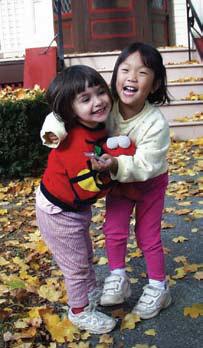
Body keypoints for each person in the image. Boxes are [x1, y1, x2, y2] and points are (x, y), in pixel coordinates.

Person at [40, 42, 172, 320]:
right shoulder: (106, 104)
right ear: (115, 76)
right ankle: (117, 277)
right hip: (117, 182)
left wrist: (114, 165)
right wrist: (53, 132)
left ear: (156, 83)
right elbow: (63, 112)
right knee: (113, 230)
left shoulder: (155, 123)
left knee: (147, 236)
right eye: (125, 69)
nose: (132, 77)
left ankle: (159, 287)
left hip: (148, 185)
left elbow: (147, 164)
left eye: (142, 72)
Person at [36, 65, 117, 334]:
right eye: (86, 99)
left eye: (100, 92)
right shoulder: (75, 145)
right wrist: (111, 176)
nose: (98, 102)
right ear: (70, 110)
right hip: (59, 210)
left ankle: (88, 295)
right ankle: (79, 311)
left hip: (72, 207)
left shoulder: (94, 125)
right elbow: (85, 188)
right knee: (76, 263)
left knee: (84, 254)